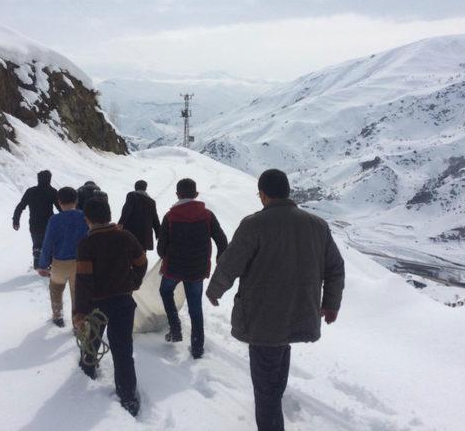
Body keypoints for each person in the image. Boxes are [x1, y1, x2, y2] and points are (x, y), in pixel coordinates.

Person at [206, 169, 345, 431]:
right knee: (277, 369)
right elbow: (335, 268)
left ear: (263, 195)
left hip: (263, 318)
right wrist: (331, 303)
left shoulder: (254, 224)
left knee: (265, 391)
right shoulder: (317, 225)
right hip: (300, 312)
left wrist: (215, 290)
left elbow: (230, 264)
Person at [73, 198, 148, 417]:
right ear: (109, 215)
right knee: (123, 350)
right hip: (124, 302)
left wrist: (80, 311)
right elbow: (142, 262)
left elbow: (84, 281)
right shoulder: (125, 236)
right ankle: (128, 397)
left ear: (87, 220)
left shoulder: (86, 244)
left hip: (97, 305)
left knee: (92, 338)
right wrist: (133, 282)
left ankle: (87, 368)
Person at [157, 178, 228, 359]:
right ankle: (197, 348)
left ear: (177, 195)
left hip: (173, 268)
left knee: (165, 291)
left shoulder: (170, 217)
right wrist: (220, 257)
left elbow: (160, 249)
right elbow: (222, 241)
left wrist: (167, 253)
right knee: (195, 308)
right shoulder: (207, 215)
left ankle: (175, 328)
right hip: (197, 269)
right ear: (196, 195)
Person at [36, 187, 88, 327]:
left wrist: (42, 265)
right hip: (79, 264)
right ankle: (78, 325)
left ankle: (57, 316)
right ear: (76, 200)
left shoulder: (54, 220)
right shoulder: (84, 217)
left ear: (59, 202)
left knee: (56, 289)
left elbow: (47, 244)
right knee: (77, 297)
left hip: (59, 264)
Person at [13, 170, 61, 269]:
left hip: (34, 224)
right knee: (49, 244)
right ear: (49, 179)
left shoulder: (31, 191)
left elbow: (20, 206)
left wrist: (16, 220)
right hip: (49, 224)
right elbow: (60, 208)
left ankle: (37, 256)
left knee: (37, 243)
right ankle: (48, 263)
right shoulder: (52, 192)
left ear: (38, 179)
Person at [118, 180, 161, 251]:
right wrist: (159, 234)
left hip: (131, 233)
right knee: (141, 257)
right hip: (144, 237)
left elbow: (126, 211)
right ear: (145, 188)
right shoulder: (151, 202)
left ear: (135, 187)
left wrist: (120, 224)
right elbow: (155, 220)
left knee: (129, 255)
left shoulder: (131, 196)